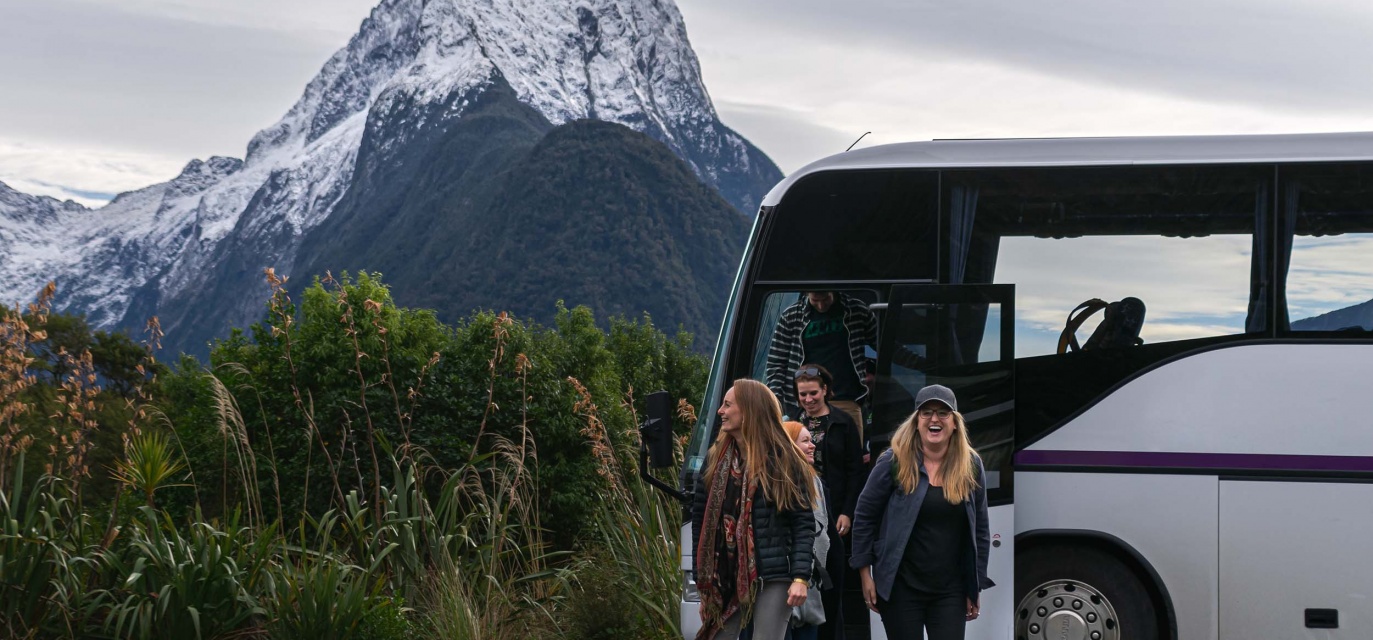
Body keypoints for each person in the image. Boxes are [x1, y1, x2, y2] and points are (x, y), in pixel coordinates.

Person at [849, 385, 994, 640]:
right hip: (900, 588)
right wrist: (865, 575)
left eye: (943, 413)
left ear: (955, 423)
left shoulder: (971, 465)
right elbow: (864, 517)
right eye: (926, 413)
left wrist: (975, 584)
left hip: (950, 590)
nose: (934, 419)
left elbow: (980, 530)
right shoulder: (893, 461)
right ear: (916, 422)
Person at [692, 379, 820, 640]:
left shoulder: (784, 460)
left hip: (773, 575)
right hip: (724, 576)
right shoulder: (714, 459)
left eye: (728, 405)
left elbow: (803, 524)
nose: (721, 411)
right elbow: (700, 521)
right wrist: (702, 582)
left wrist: (800, 577)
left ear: (748, 410)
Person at [793, 364, 865, 640]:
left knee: (832, 585)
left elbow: (855, 471)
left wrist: (848, 512)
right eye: (803, 395)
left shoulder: (843, 422)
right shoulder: (791, 424)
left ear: (825, 391)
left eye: (813, 393)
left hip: (833, 513)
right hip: (803, 510)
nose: (808, 400)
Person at [765, 291, 877, 428]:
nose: (821, 305)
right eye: (815, 300)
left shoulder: (856, 310)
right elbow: (776, 363)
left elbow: (883, 344)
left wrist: (910, 361)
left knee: (849, 448)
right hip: (804, 404)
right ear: (807, 295)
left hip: (847, 399)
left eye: (825, 299)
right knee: (805, 447)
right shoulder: (792, 316)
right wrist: (775, 401)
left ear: (834, 292)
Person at [782, 421, 830, 640]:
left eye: (812, 440)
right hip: (787, 582)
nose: (812, 446)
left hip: (809, 585)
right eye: (805, 441)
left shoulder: (814, 479)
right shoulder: (782, 481)